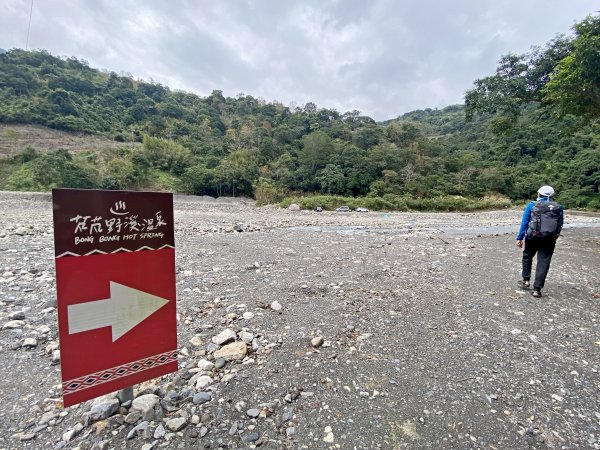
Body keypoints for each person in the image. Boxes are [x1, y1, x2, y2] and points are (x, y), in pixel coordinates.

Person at [516, 185, 563, 298]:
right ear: (552, 196)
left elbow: (525, 222)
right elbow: (560, 224)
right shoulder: (558, 207)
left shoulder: (532, 205)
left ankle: (526, 281)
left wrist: (519, 238)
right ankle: (537, 289)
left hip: (532, 237)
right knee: (544, 262)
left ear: (539, 194)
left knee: (527, 256)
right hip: (549, 239)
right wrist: (554, 237)